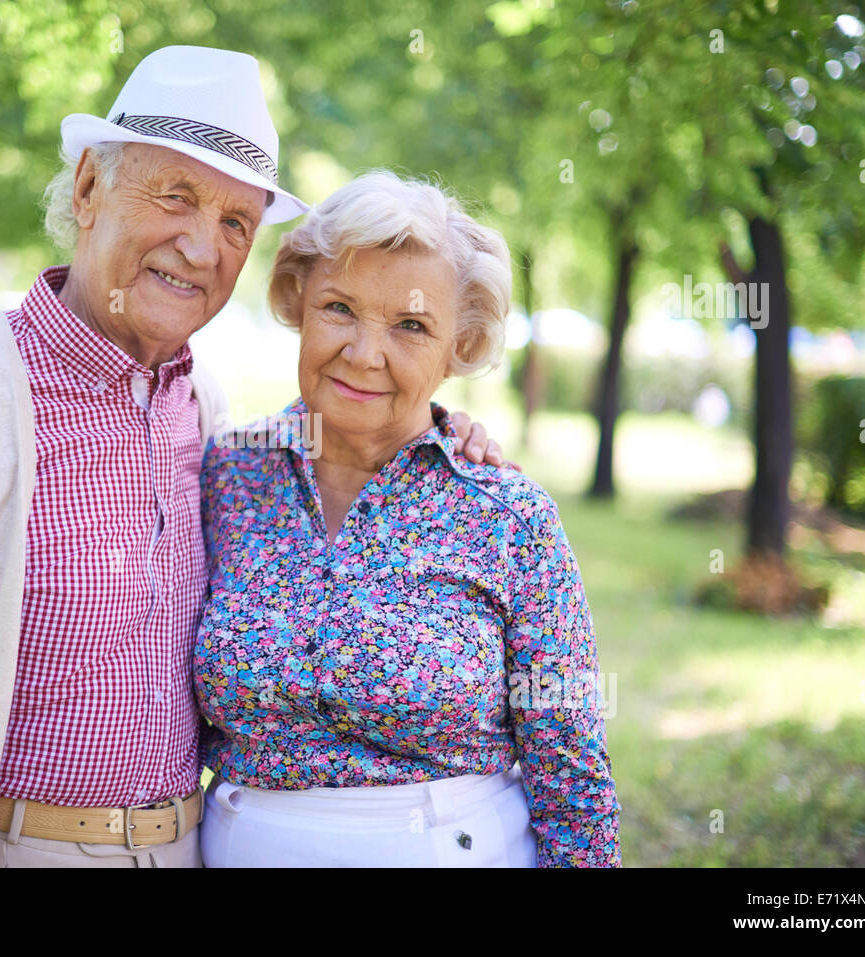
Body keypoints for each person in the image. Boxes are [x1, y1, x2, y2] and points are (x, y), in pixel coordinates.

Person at [0, 46, 505, 868]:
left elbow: (360, 431)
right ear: (88, 189)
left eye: (235, 222)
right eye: (176, 197)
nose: (201, 247)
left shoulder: (208, 418)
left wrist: (444, 432)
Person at [195, 170, 621, 867]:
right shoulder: (227, 476)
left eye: (412, 325)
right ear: (299, 299)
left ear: (461, 345)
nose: (364, 354)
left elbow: (571, 777)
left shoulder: (509, 516)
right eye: (339, 308)